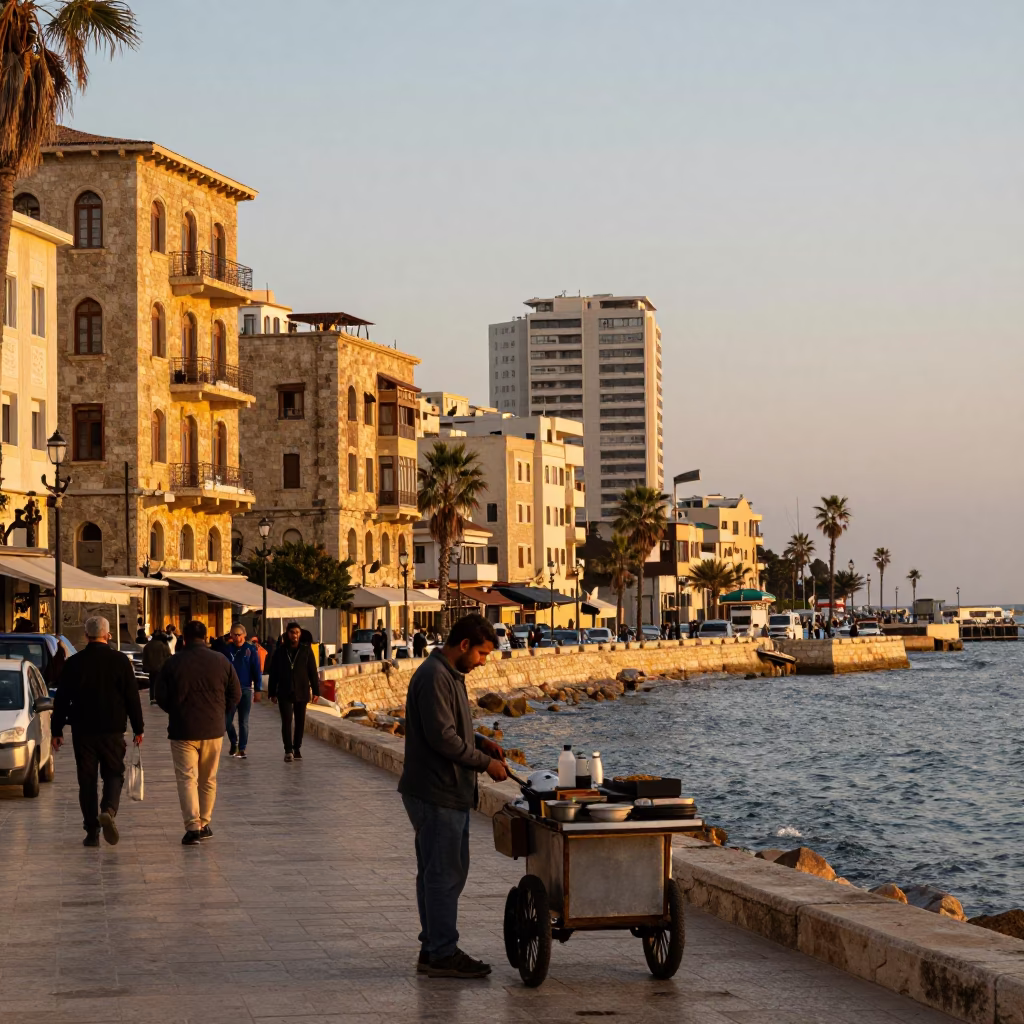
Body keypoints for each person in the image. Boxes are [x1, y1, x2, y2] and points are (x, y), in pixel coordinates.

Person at [398, 613, 507, 979]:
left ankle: (433, 948)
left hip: (441, 790)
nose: (483, 661)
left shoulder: (448, 675)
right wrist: (483, 764)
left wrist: (481, 742)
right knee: (444, 874)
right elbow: (442, 738)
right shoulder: (434, 677)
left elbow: (450, 729)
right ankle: (442, 953)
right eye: (482, 653)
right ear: (464, 645)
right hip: (437, 791)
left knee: (436, 873)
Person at [51, 616, 144, 847]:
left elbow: (62, 699)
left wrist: (57, 729)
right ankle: (109, 810)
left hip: (83, 731)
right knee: (113, 773)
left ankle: (91, 832)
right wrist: (138, 727)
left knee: (87, 780)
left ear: (86, 636)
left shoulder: (74, 663)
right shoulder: (121, 661)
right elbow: (132, 697)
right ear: (108, 635)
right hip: (112, 730)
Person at [156, 619, 241, 845]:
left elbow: (160, 696)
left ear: (184, 637)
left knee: (187, 778)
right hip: (213, 729)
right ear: (205, 637)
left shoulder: (173, 663)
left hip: (183, 729)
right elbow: (236, 694)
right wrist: (222, 714)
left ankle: (193, 826)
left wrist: (176, 711)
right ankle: (204, 822)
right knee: (208, 779)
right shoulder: (221, 661)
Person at [267, 621, 320, 762]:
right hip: (284, 691)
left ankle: (297, 748)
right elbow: (274, 673)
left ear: (300, 634)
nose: (294, 635)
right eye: (292, 633)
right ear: (287, 634)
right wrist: (272, 692)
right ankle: (288, 750)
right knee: (286, 721)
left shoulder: (306, 651)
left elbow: (313, 672)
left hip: (302, 690)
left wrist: (316, 691)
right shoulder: (280, 652)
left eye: (296, 633)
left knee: (300, 721)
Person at [224, 623, 263, 758]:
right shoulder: (227, 650)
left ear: (244, 635)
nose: (237, 637)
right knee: (227, 720)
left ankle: (242, 748)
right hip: (230, 691)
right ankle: (234, 741)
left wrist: (258, 689)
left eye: (239, 635)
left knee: (243, 721)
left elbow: (256, 670)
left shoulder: (251, 650)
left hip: (245, 689)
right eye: (234, 635)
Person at [142, 629, 171, 706]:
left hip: (151, 668)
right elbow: (168, 655)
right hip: (161, 667)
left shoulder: (148, 646)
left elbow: (145, 657)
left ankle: (152, 697)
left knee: (152, 682)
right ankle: (158, 698)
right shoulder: (163, 645)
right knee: (160, 684)